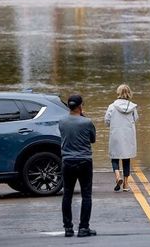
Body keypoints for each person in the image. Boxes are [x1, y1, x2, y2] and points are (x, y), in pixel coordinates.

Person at [59, 94, 97, 238]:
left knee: (67, 195)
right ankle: (83, 228)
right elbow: (92, 139)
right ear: (80, 106)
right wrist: (84, 117)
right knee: (86, 195)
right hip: (84, 161)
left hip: (67, 161)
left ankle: (68, 228)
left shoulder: (61, 122)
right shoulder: (87, 122)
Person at [105, 84, 139, 192]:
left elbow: (107, 121)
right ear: (129, 93)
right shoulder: (133, 107)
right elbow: (136, 119)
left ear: (118, 93)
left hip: (116, 134)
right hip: (128, 135)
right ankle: (125, 184)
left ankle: (117, 176)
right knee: (126, 158)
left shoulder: (112, 106)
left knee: (114, 157)